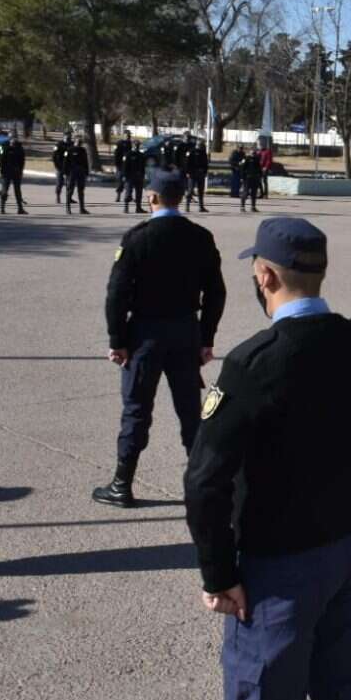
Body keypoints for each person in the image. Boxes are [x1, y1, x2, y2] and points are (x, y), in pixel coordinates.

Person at [185, 216, 351, 700]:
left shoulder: (254, 362)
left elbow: (205, 480)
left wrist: (220, 575)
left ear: (265, 276)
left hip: (279, 571)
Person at [94, 168, 226, 508]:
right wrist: (206, 338)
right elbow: (216, 292)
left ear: (151, 197)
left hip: (145, 334)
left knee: (137, 410)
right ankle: (203, 488)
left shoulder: (137, 238)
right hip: (185, 332)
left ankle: (122, 484)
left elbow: (116, 294)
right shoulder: (200, 237)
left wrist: (117, 340)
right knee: (190, 412)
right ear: (181, 198)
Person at [0, 129, 28, 215]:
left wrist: (21, 170)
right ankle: (2, 208)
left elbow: (22, 160)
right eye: (12, 136)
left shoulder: (19, 146)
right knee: (5, 190)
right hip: (7, 171)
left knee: (17, 190)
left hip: (15, 171)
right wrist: (2, 170)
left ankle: (20, 208)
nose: (14, 138)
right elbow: (1, 158)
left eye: (15, 136)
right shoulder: (3, 145)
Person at [184, 135, 210, 213]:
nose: (203, 147)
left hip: (201, 173)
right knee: (190, 191)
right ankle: (187, 206)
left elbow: (206, 164)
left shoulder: (203, 153)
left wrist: (205, 172)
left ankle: (201, 207)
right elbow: (187, 163)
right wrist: (188, 172)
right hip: (192, 173)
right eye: (201, 145)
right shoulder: (191, 152)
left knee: (201, 191)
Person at [65, 136, 91, 215]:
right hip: (72, 172)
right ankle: (68, 209)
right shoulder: (69, 150)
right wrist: (66, 173)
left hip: (81, 172)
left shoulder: (83, 150)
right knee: (70, 190)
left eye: (80, 142)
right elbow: (65, 162)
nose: (79, 143)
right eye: (78, 141)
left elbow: (86, 162)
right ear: (75, 142)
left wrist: (86, 172)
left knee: (81, 191)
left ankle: (82, 209)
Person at [123, 140, 150, 214]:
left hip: (139, 176)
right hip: (130, 176)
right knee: (128, 192)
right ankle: (126, 207)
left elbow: (143, 166)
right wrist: (124, 176)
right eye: (135, 145)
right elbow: (125, 166)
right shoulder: (128, 154)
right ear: (133, 145)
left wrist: (144, 175)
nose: (137, 146)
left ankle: (138, 208)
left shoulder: (141, 155)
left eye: (138, 145)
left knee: (139, 193)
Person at [113, 130, 134, 203]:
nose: (128, 136)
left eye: (129, 135)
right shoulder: (119, 143)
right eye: (127, 135)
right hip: (120, 165)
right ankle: (118, 196)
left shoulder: (129, 143)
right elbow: (116, 155)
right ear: (124, 135)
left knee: (129, 182)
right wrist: (117, 165)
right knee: (120, 181)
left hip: (128, 165)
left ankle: (129, 196)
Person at [52, 130, 74, 204]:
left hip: (69, 167)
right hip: (60, 167)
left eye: (69, 134)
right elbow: (54, 156)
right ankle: (58, 197)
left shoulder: (72, 144)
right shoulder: (59, 144)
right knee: (60, 183)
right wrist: (57, 166)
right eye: (67, 134)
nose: (68, 136)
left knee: (70, 183)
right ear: (64, 135)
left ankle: (69, 198)